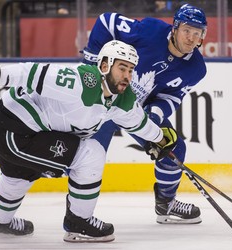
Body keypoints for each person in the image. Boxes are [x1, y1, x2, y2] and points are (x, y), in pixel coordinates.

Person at [0, 40, 177, 242]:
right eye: (122, 68)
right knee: (90, 153)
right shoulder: (81, 81)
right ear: (104, 65)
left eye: (131, 70)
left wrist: (159, 139)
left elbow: (138, 122)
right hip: (17, 132)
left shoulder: (122, 98)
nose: (127, 76)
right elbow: (32, 74)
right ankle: (78, 223)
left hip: (21, 132)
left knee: (17, 176)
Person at [82, 4, 208, 224]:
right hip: (107, 100)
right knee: (89, 156)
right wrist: (91, 67)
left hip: (135, 111)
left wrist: (155, 115)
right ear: (175, 28)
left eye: (197, 33)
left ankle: (166, 204)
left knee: (174, 147)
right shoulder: (150, 30)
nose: (191, 37)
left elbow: (173, 97)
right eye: (187, 30)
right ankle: (78, 218)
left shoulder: (196, 68)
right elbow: (106, 21)